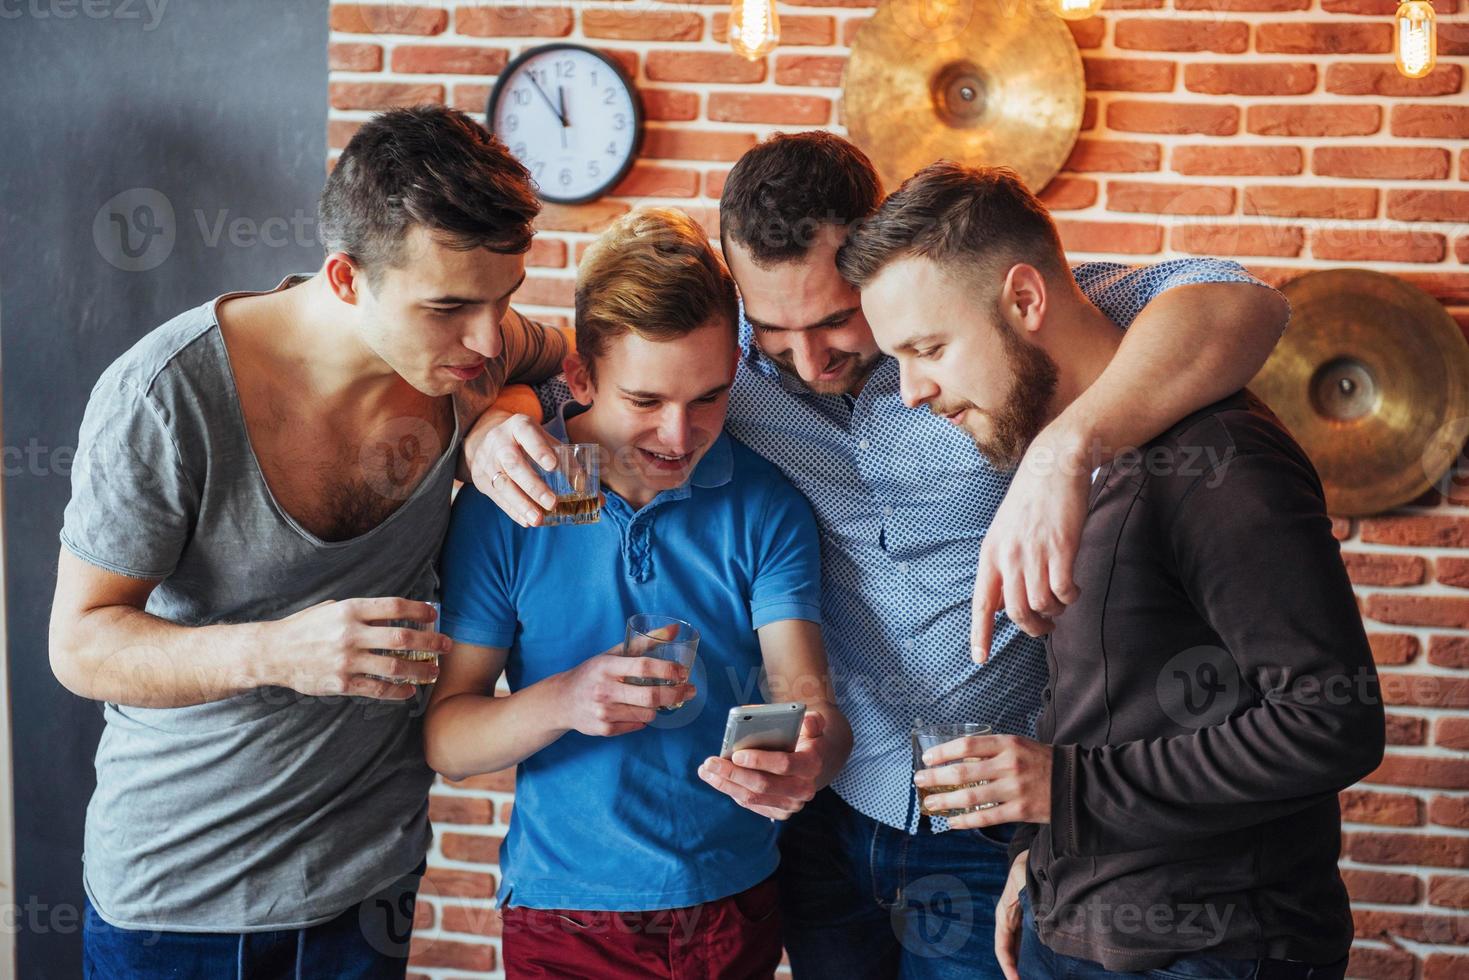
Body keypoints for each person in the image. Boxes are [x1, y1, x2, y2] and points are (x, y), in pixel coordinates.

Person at [468, 132, 1291, 977]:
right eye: (773, 329)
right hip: (832, 809)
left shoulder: (987, 337)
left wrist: (1062, 451)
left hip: (1000, 809)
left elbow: (1244, 302)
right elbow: (567, 357)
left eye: (833, 319)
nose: (808, 359)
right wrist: (503, 412)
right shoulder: (720, 384)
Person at [49, 105, 570, 978]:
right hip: (179, 903)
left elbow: (556, 356)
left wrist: (495, 417)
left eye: (503, 299)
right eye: (448, 307)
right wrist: (276, 650)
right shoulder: (165, 397)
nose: (485, 338)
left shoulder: (466, 358)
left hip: (370, 885)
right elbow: (80, 642)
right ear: (343, 279)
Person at [840, 161, 1385, 980]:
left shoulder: (1221, 462)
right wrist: (1042, 850)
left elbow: (1331, 722)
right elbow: (1111, 707)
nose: (912, 391)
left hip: (1213, 952)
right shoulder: (1059, 461)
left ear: (1025, 301)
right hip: (1072, 926)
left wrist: (1062, 790)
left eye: (929, 349)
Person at [424, 207, 851, 979]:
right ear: (580, 376)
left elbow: (807, 701)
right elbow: (447, 738)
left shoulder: (765, 505)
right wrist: (564, 701)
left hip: (731, 898)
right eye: (647, 402)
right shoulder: (513, 503)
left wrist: (805, 762)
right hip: (562, 913)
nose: (680, 437)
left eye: (710, 398)